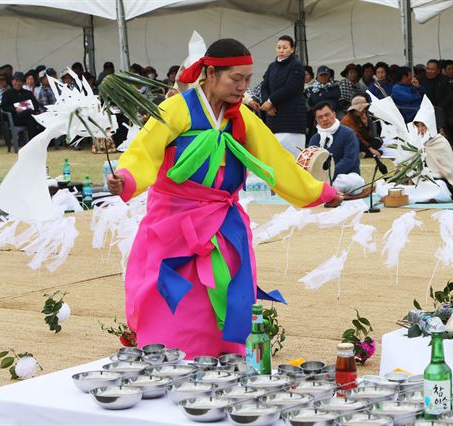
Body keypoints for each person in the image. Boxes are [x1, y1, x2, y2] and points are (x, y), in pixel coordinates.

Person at [106, 38, 342, 358]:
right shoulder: (175, 108)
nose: (244, 86)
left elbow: (276, 161)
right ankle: (170, 358)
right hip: (174, 221)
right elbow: (143, 152)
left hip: (221, 221)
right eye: (236, 78)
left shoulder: (240, 116)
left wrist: (319, 192)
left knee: (223, 290)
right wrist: (126, 180)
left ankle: (222, 358)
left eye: (248, 79)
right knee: (174, 295)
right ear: (211, 73)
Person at [260, 35, 307, 157]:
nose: (281, 50)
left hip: (292, 120)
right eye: (279, 47)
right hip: (274, 119)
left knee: (293, 158)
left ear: (292, 49)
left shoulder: (297, 66)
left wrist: (271, 101)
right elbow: (264, 86)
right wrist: (267, 103)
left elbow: (290, 88)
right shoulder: (272, 66)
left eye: (285, 47)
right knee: (274, 157)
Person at [412, 95, 453, 200]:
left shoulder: (440, 142)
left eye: (423, 125)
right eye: (418, 126)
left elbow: (448, 169)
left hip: (439, 179)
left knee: (438, 187)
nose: (421, 129)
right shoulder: (417, 141)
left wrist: (431, 174)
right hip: (420, 179)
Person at [307, 101, 364, 194]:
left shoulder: (348, 133)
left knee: (357, 182)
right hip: (320, 180)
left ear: (334, 114)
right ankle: (325, 190)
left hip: (343, 177)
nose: (324, 119)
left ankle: (324, 191)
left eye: (327, 115)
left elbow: (349, 160)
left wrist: (328, 174)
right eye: (320, 117)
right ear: (317, 120)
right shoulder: (314, 139)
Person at [0, 71, 42, 139]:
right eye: (16, 81)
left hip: (29, 117)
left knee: (30, 120)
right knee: (30, 113)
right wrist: (15, 109)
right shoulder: (7, 94)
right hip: (15, 118)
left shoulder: (28, 93)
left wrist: (34, 109)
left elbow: (36, 105)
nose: (18, 83)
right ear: (12, 81)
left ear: (23, 83)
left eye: (20, 81)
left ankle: (32, 143)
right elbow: (4, 107)